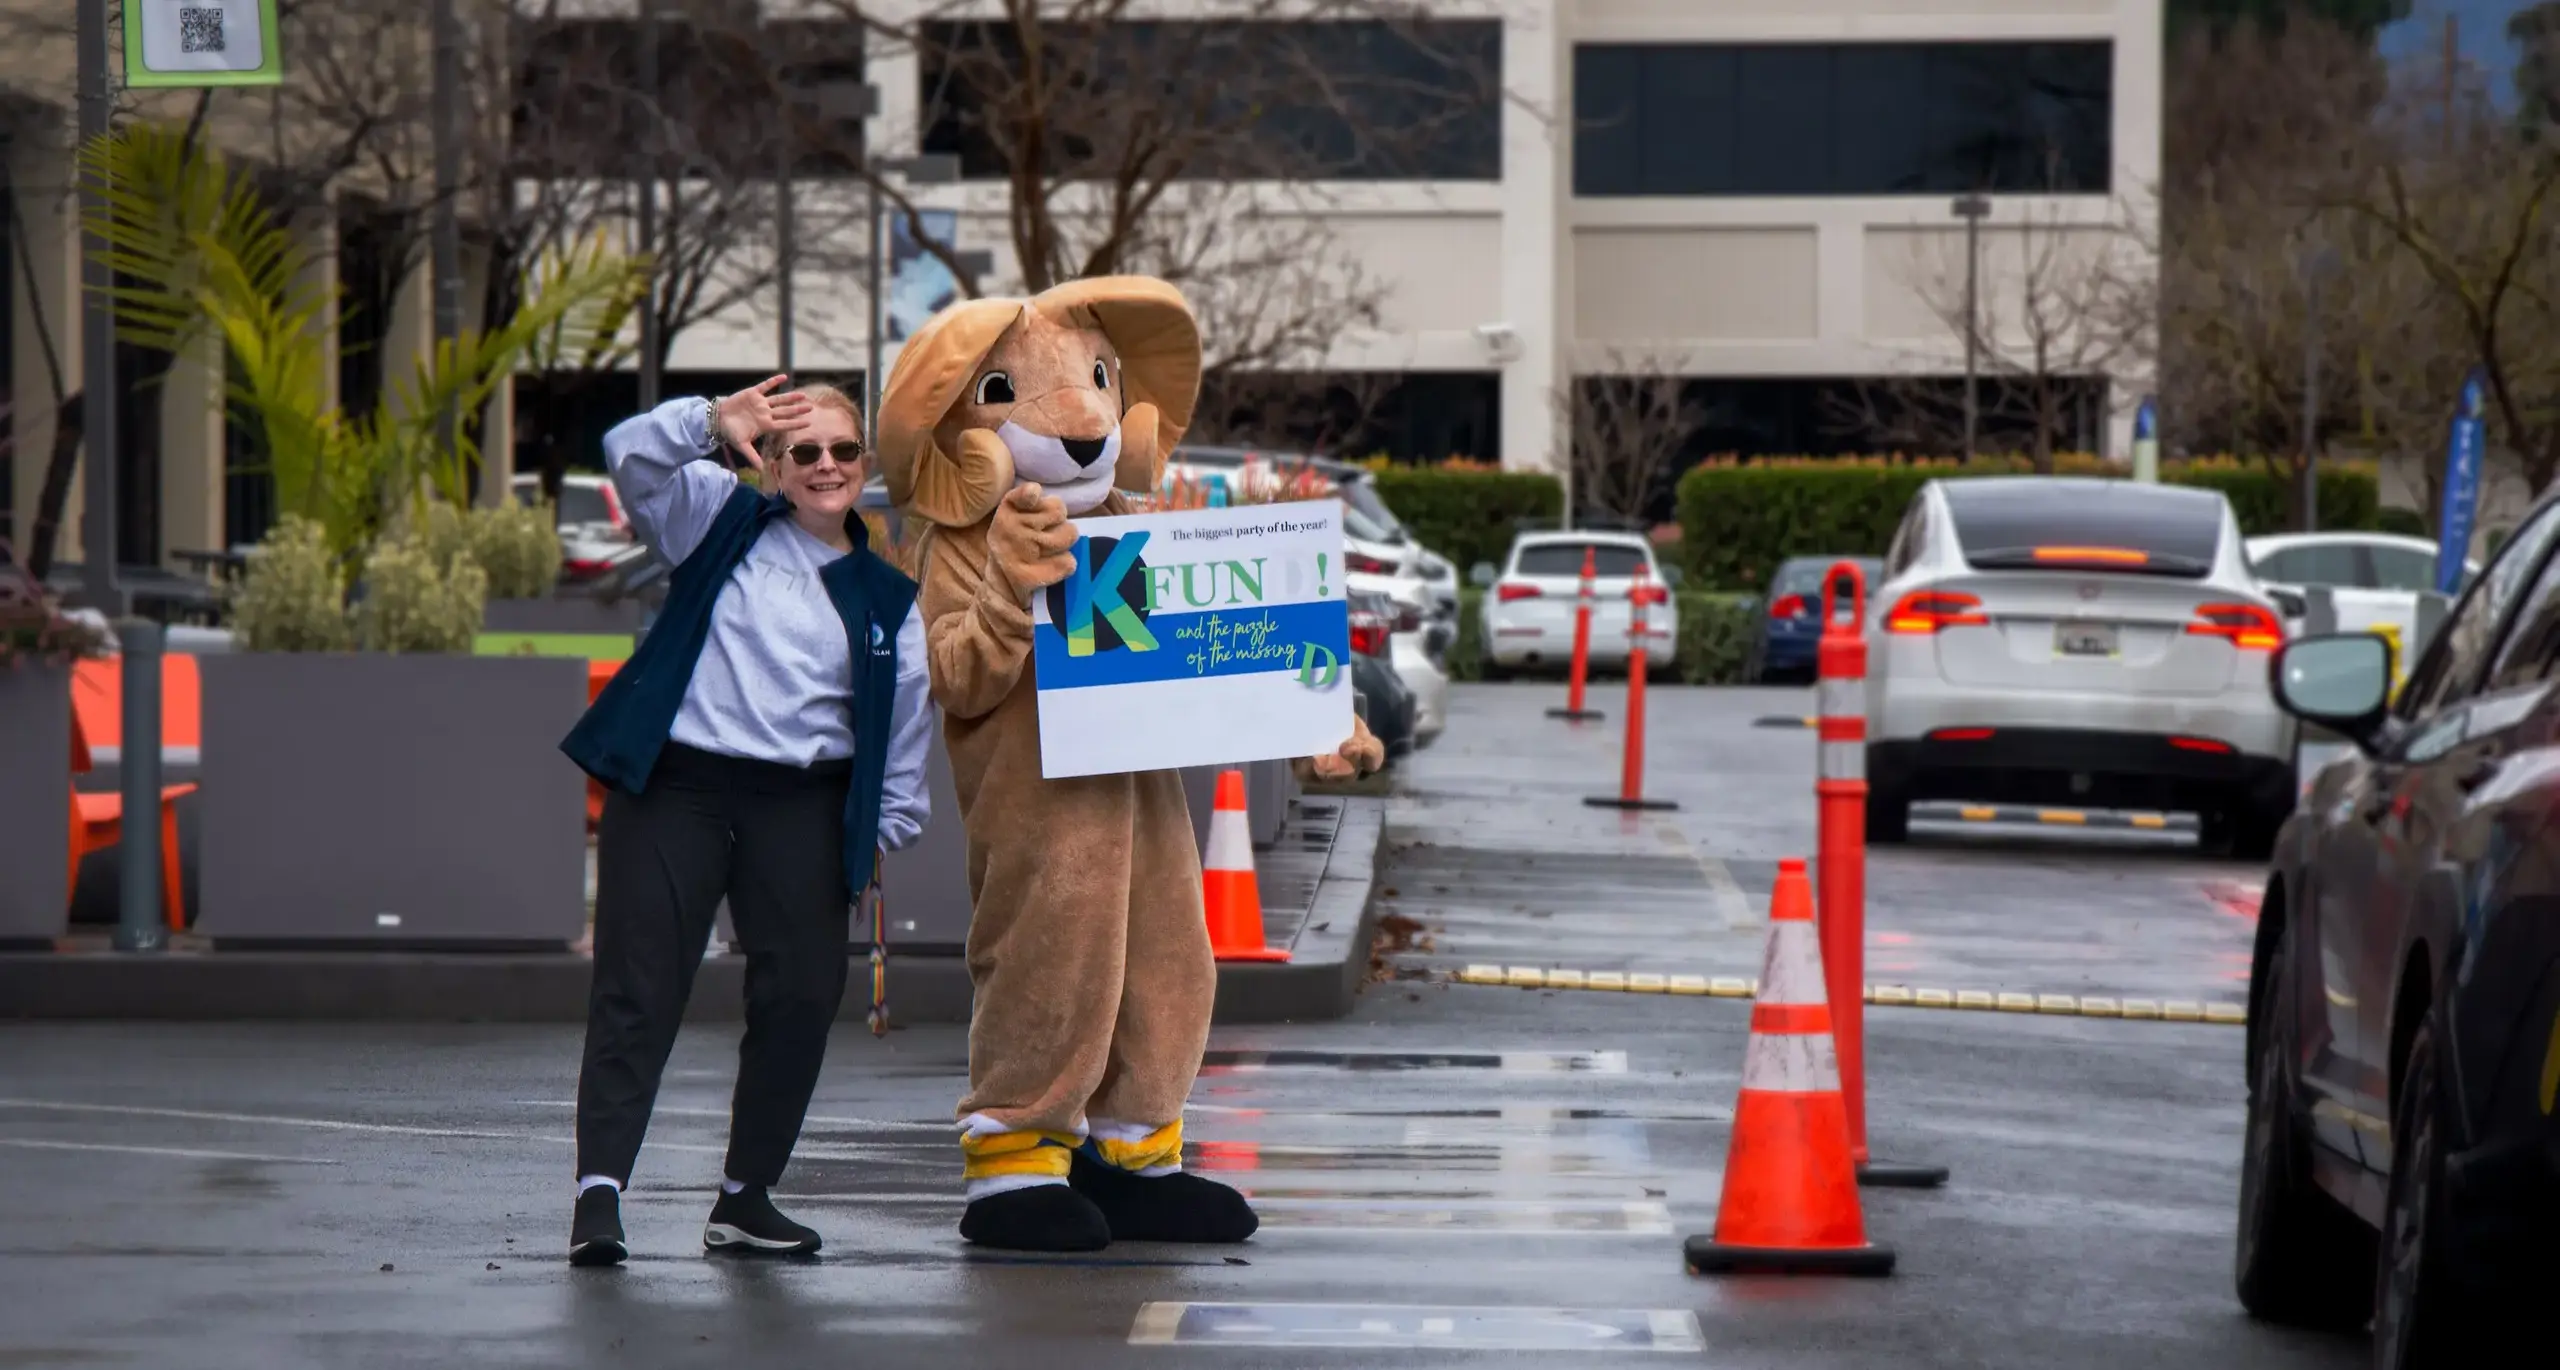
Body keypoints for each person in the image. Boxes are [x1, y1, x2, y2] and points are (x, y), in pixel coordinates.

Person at [557, 377, 932, 1266]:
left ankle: (745, 1199)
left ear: (864, 467)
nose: (826, 467)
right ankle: (598, 1195)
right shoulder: (714, 516)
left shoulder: (889, 599)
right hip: (677, 787)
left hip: (803, 801)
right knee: (640, 986)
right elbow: (627, 457)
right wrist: (708, 421)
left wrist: (877, 831)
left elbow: (907, 723)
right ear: (776, 466)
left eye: (843, 452)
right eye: (805, 452)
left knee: (802, 994)